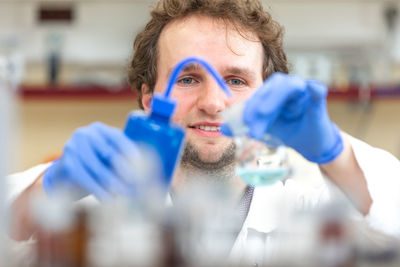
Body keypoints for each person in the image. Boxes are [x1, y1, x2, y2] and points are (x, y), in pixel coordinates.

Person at [8, 0, 400, 253]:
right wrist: (44, 194)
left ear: (268, 96)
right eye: (188, 78)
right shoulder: (93, 213)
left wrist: (335, 152)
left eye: (237, 80)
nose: (214, 104)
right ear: (150, 99)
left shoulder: (310, 216)